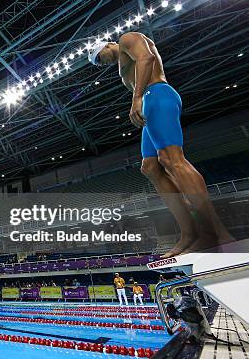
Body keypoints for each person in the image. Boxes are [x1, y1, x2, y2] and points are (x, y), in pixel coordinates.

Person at [88, 32, 234, 257]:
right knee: (150, 167)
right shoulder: (122, 63)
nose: (101, 62)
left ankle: (217, 234)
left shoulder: (128, 39)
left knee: (173, 160)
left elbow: (147, 58)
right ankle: (190, 234)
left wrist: (137, 98)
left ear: (108, 44)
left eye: (99, 56)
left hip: (157, 94)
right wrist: (140, 99)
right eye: (97, 62)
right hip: (149, 100)